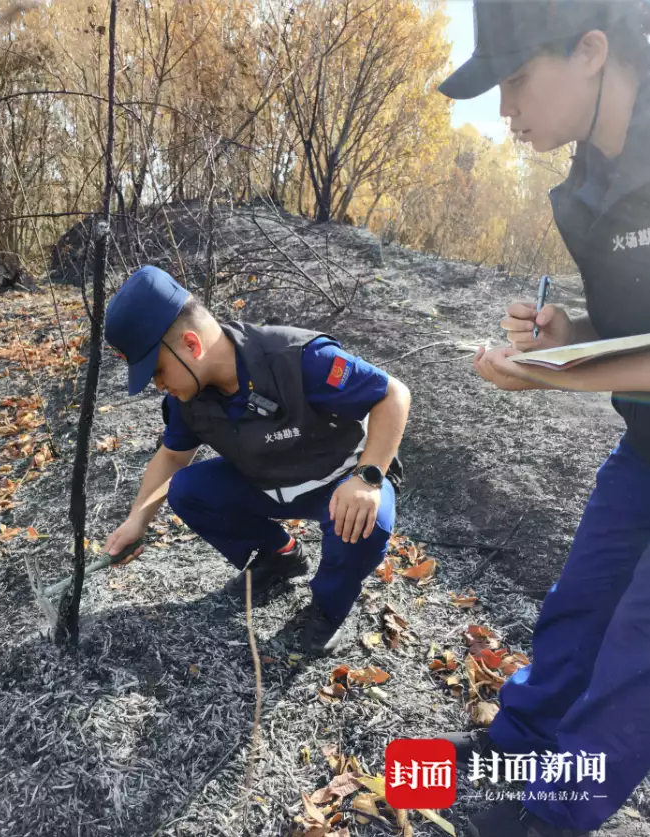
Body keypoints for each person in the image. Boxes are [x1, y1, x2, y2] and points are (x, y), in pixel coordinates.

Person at [438, 2, 650, 836]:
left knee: (636, 653)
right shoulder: (580, 194)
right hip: (644, 447)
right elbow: (626, 335)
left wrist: (553, 377)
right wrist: (566, 340)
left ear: (592, 50)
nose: (505, 110)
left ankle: (547, 818)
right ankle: (518, 744)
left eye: (517, 78)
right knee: (579, 606)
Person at [102, 265, 410, 655]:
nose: (160, 385)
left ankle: (331, 607)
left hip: (340, 480)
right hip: (270, 483)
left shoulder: (297, 358)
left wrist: (367, 478)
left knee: (368, 522)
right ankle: (280, 557)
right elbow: (172, 456)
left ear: (191, 345)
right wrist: (136, 522)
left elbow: (393, 395)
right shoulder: (189, 398)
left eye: (158, 372)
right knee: (188, 490)